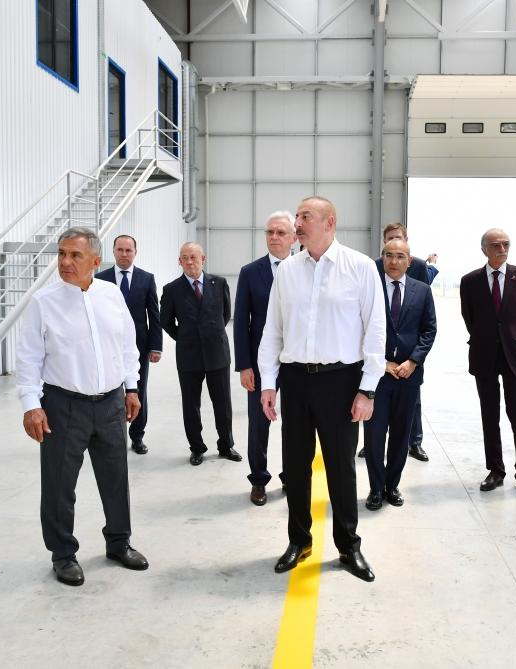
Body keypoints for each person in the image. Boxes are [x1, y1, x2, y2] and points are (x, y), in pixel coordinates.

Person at [259, 196, 385, 582]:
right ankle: (299, 541)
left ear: (329, 222)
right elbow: (273, 330)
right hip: (295, 379)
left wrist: (367, 390)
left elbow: (375, 331)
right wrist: (268, 382)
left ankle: (349, 546)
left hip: (341, 381)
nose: (298, 223)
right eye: (297, 216)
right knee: (296, 468)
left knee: (340, 469)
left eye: (306, 217)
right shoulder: (287, 271)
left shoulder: (359, 267)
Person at [16, 227, 148, 587]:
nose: (65, 262)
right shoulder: (44, 302)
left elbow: (127, 346)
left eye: (75, 255)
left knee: (115, 478)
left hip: (110, 404)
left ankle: (119, 543)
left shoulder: (111, 295)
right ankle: (62, 554)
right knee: (59, 484)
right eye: (61, 254)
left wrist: (132, 388)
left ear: (95, 261)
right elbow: (28, 357)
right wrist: (31, 405)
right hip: (63, 406)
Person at [460, 228, 516, 500]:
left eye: (506, 244)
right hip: (484, 354)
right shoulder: (470, 281)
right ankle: (495, 470)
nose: (502, 249)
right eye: (496, 245)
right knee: (489, 415)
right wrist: (489, 338)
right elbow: (469, 318)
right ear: (484, 249)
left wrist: (514, 338)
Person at [362, 238, 437, 510]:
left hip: (408, 376)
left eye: (400, 256)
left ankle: (392, 486)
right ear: (382, 258)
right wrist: (381, 363)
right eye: (389, 255)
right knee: (374, 435)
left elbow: (429, 330)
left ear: (409, 260)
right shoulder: (370, 288)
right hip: (377, 376)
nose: (394, 261)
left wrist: (413, 362)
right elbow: (358, 327)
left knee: (401, 435)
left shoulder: (422, 291)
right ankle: (375, 488)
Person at [233, 212, 296, 505]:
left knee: (294, 423)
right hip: (260, 363)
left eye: (281, 232)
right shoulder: (250, 272)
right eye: (270, 232)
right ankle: (258, 480)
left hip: (297, 362)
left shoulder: (304, 269)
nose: (274, 237)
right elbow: (241, 322)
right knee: (259, 423)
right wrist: (244, 365)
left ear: (293, 237)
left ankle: (291, 475)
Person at [160, 242, 241, 466]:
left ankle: (226, 445)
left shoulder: (219, 283)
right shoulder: (172, 289)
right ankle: (196, 448)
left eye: (193, 257)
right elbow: (165, 321)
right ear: (179, 261)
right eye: (184, 258)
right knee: (191, 405)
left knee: (222, 403)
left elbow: (226, 314)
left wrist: (211, 333)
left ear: (202, 259)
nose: (189, 262)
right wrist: (185, 337)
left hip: (217, 353)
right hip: (189, 355)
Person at [95, 234, 162, 455]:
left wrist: (156, 346)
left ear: (135, 252)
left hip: (139, 346)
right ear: (113, 251)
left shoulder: (146, 278)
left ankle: (137, 436)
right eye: (120, 250)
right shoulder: (100, 278)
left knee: (138, 390)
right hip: (107, 344)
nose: (124, 254)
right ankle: (107, 435)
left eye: (128, 250)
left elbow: (154, 314)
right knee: (109, 390)